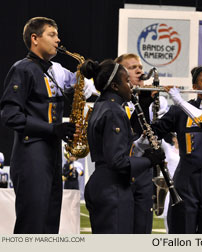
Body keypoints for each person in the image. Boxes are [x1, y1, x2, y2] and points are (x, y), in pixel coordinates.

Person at [0, 17, 94, 234]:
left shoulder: (55, 70)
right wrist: (53, 129)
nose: (58, 40)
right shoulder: (22, 69)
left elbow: (80, 84)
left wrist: (90, 71)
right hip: (30, 153)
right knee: (32, 225)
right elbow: (10, 115)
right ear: (35, 38)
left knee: (50, 224)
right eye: (52, 34)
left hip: (51, 154)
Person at [81, 59, 165, 233]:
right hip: (113, 187)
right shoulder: (114, 111)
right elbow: (117, 161)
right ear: (115, 86)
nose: (131, 86)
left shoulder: (100, 106)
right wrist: (149, 160)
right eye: (126, 81)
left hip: (102, 183)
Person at [151, 66, 202, 234]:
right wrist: (146, 101)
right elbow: (153, 132)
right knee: (181, 235)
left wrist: (180, 102)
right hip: (185, 182)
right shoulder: (178, 112)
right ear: (194, 87)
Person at [115, 53, 155, 233]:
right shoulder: (115, 103)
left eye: (139, 67)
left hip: (144, 174)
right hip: (122, 172)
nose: (139, 70)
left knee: (143, 229)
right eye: (132, 68)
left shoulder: (149, 100)